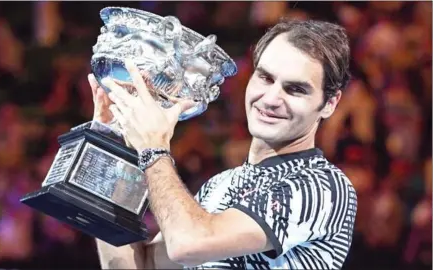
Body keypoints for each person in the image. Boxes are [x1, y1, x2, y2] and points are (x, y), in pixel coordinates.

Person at [87, 18, 357, 269]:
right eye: (265, 77)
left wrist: (154, 148)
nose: (272, 98)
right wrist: (113, 147)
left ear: (329, 104)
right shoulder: (220, 185)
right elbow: (141, 265)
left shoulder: (323, 188)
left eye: (295, 89)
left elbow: (188, 243)